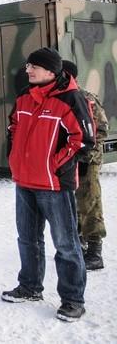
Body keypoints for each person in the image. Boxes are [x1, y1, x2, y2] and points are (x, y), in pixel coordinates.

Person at [1, 47, 94, 322]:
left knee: (66, 244)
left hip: (54, 185)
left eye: (33, 66)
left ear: (50, 71)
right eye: (28, 65)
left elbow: (84, 141)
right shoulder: (24, 96)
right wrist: (15, 159)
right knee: (27, 239)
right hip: (24, 181)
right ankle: (30, 287)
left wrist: (55, 165)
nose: (27, 70)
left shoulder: (71, 99)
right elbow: (14, 127)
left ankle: (73, 300)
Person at [62, 60, 108, 271]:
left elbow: (101, 130)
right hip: (70, 160)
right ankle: (79, 242)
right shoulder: (62, 98)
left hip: (87, 161)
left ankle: (95, 253)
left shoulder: (85, 98)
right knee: (73, 203)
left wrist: (85, 154)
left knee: (90, 204)